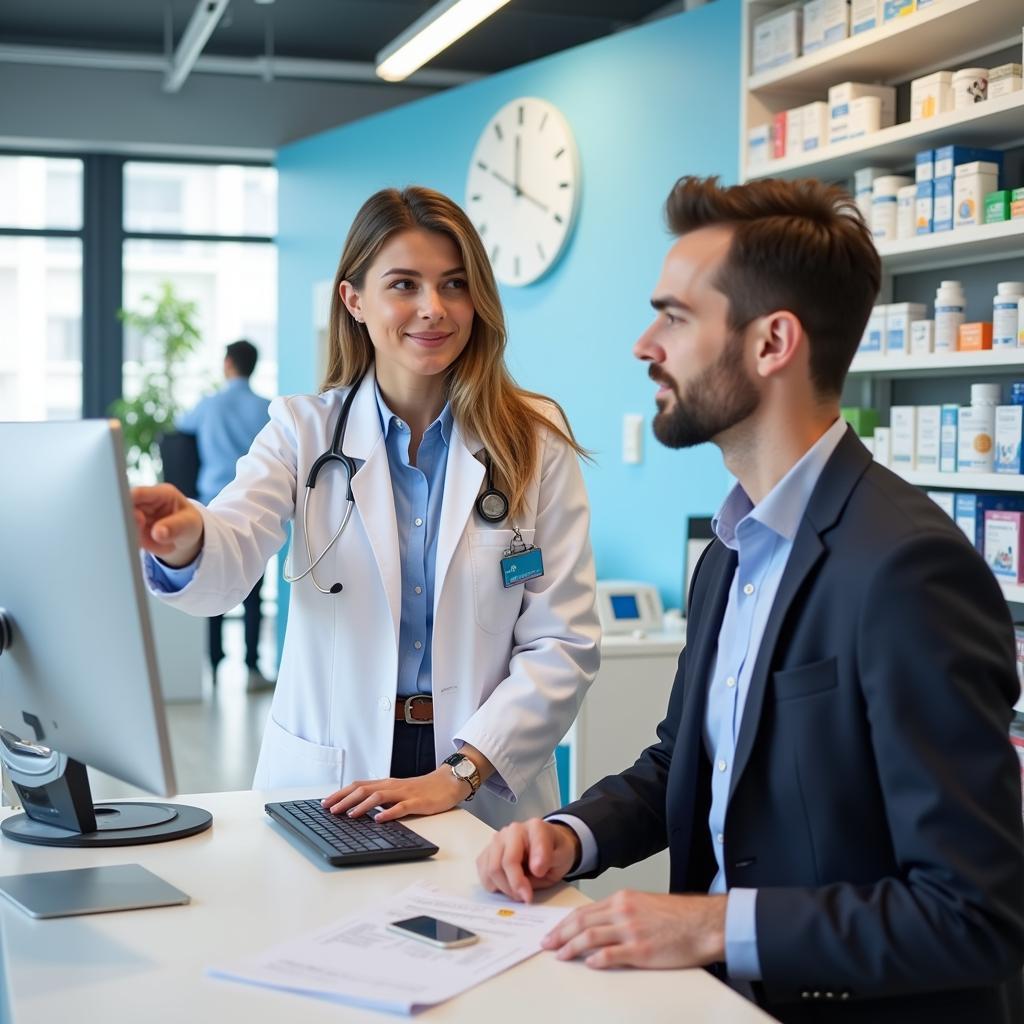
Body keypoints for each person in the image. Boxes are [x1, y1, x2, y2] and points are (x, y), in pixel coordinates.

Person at [476, 176, 1024, 1022]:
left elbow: (975, 914)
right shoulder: (731, 553)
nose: (643, 344)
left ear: (772, 343)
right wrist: (571, 837)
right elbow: (688, 765)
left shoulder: (907, 569)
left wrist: (712, 925)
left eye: (675, 317)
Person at [132, 186, 600, 830]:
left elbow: (562, 640)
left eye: (455, 284)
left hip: (480, 770)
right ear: (353, 300)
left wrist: (458, 774)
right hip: (332, 773)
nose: (433, 309)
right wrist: (187, 539)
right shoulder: (303, 430)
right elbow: (233, 547)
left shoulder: (533, 439)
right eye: (403, 284)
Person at [175, 339, 273, 691]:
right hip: (256, 510)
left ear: (229, 363)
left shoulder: (209, 406)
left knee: (212, 584)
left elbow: (178, 430)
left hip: (212, 506)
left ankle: (214, 664)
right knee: (253, 594)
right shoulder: (267, 408)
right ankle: (251, 667)